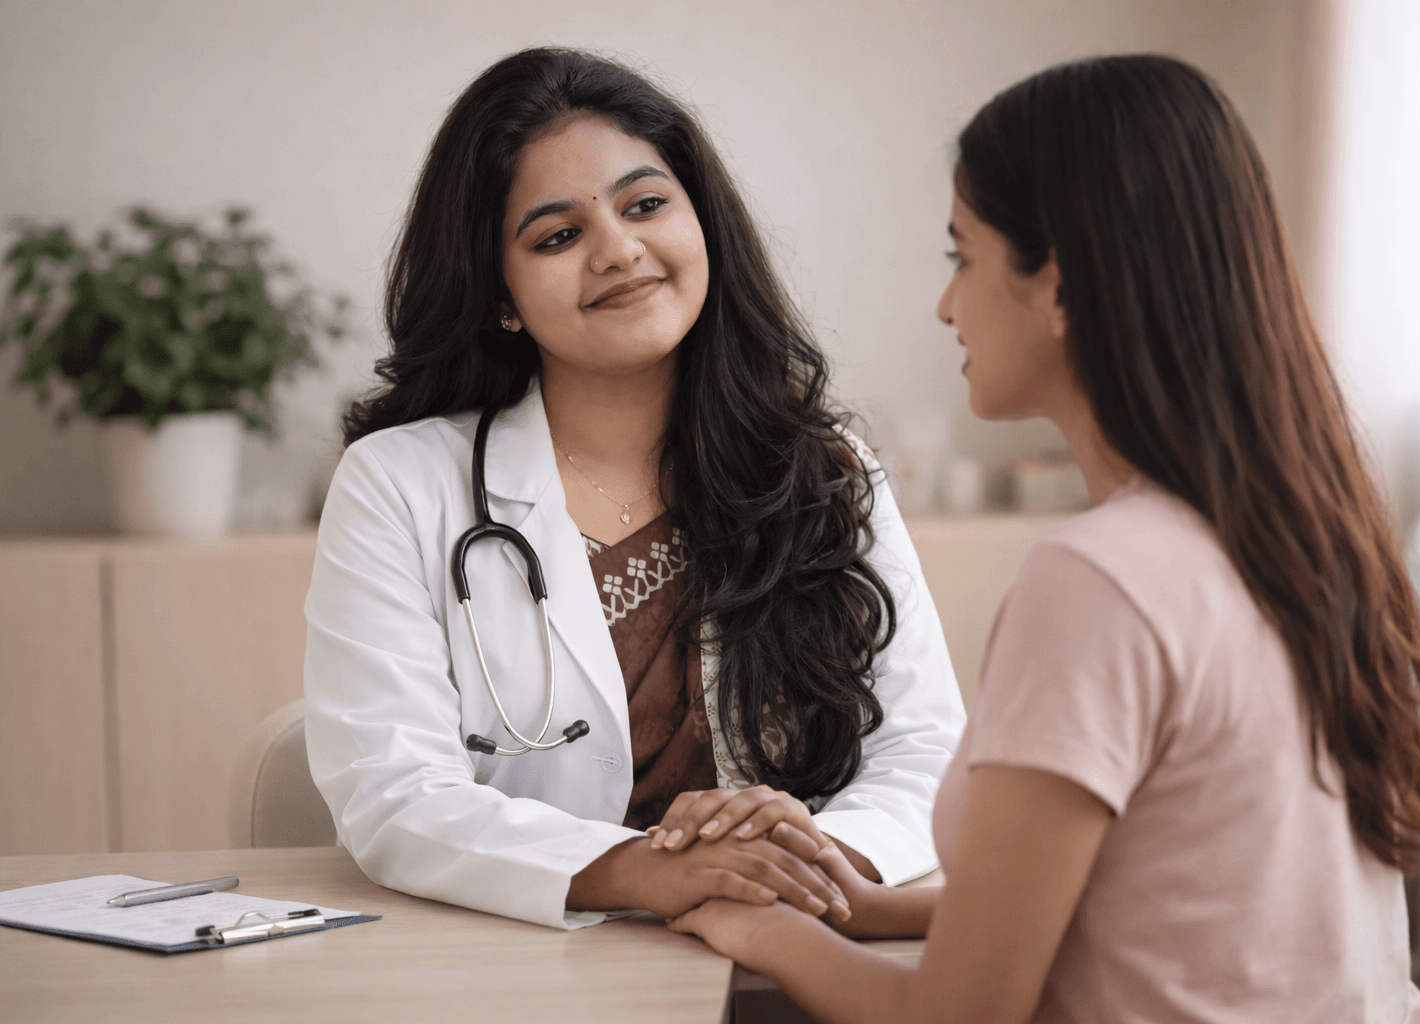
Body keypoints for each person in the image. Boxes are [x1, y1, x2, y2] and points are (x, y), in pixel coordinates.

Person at [669, 54, 1420, 1023]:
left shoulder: (1098, 582)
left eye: (962, 256)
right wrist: (864, 906)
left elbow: (956, 1016)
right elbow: (1177, 902)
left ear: (1061, 285)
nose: (946, 304)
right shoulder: (1302, 536)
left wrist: (751, 926)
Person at [303, 48, 964, 932]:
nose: (618, 250)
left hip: (806, 941)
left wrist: (804, 861)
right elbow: (393, 792)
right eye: (557, 235)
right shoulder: (399, 485)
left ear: (703, 226)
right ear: (501, 294)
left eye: (645, 204)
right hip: (545, 976)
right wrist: (640, 871)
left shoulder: (827, 468)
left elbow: (925, 747)